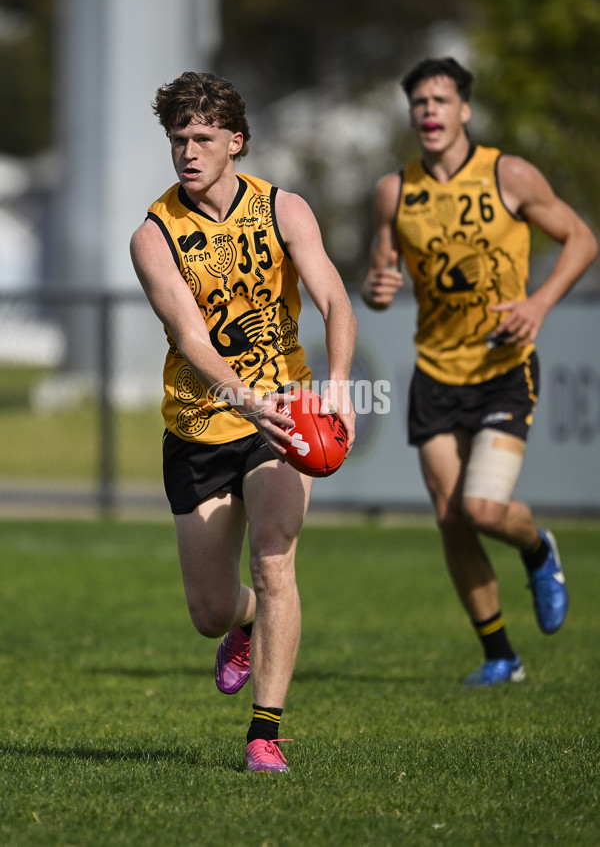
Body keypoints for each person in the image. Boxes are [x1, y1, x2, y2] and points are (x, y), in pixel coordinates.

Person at [131, 71, 356, 769]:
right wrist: (239, 396)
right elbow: (192, 340)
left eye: (203, 138)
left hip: (282, 416)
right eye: (178, 140)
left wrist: (340, 385)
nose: (188, 152)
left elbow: (335, 302)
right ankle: (247, 623)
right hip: (201, 423)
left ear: (238, 142)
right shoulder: (154, 235)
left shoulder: (285, 210)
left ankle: (265, 733)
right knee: (208, 611)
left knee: (274, 558)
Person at [362, 57, 598, 686]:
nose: (429, 111)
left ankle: (538, 548)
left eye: (441, 100)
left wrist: (539, 303)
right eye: (419, 102)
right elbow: (381, 277)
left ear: (464, 110)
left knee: (485, 509)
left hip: (502, 367)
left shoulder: (508, 174)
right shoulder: (395, 191)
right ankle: (500, 655)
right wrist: (379, 288)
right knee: (450, 518)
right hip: (436, 374)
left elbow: (582, 239)